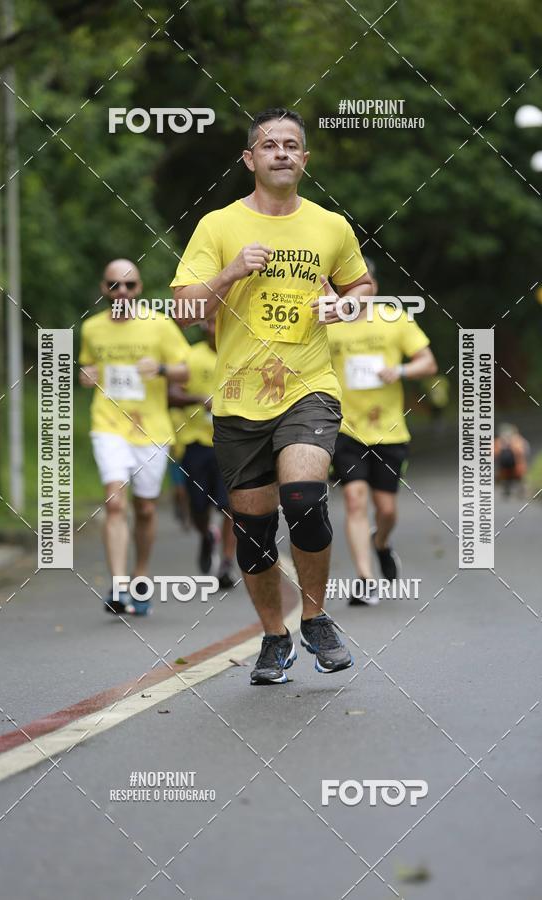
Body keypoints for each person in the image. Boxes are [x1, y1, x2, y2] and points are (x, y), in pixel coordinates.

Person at [170, 107, 374, 685]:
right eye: (269, 145)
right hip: (238, 398)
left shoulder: (330, 226)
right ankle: (274, 636)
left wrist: (347, 303)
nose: (281, 152)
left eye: (291, 145)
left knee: (305, 496)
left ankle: (314, 618)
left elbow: (359, 283)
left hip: (309, 387)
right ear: (250, 159)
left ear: (304, 159)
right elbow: (187, 309)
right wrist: (232, 270)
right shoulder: (217, 226)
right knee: (253, 530)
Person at [79, 259, 189, 615]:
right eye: (114, 285)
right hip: (108, 425)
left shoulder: (159, 325)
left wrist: (159, 369)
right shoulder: (92, 329)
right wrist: (87, 375)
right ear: (104, 289)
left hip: (150, 429)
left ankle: (140, 575)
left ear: (139, 289)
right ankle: (119, 585)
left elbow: (185, 369)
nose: (121, 292)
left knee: (144, 508)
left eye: (128, 285)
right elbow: (89, 367)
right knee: (114, 503)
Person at [328, 256, 438, 606]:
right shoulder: (329, 324)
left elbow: (428, 362)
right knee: (354, 500)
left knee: (386, 509)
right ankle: (365, 579)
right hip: (347, 430)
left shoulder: (394, 319)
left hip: (389, 431)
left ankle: (381, 543)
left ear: (371, 286)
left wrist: (401, 371)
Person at [168, 318, 237, 589]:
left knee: (231, 505)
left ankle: (227, 563)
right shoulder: (190, 356)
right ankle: (207, 535)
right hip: (196, 441)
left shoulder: (239, 352)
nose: (212, 328)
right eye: (208, 323)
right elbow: (171, 393)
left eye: (218, 322)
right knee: (198, 507)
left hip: (231, 442)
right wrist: (199, 399)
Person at [494, 424, 530, 497]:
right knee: (511, 478)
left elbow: (522, 451)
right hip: (507, 466)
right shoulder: (516, 440)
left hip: (515, 465)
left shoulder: (516, 441)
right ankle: (510, 489)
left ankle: (520, 490)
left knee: (519, 479)